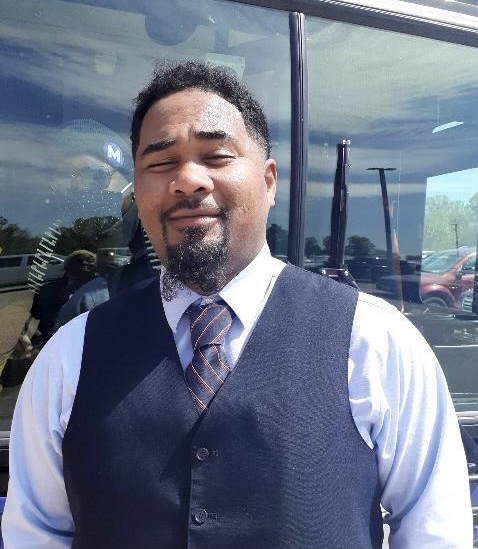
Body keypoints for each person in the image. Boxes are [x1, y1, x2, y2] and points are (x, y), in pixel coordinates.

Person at [2, 61, 473, 549]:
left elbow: (435, 532)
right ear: (137, 194)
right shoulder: (71, 356)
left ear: (269, 181)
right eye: (160, 163)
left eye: (217, 155)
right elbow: (35, 535)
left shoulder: (374, 341)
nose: (187, 180)